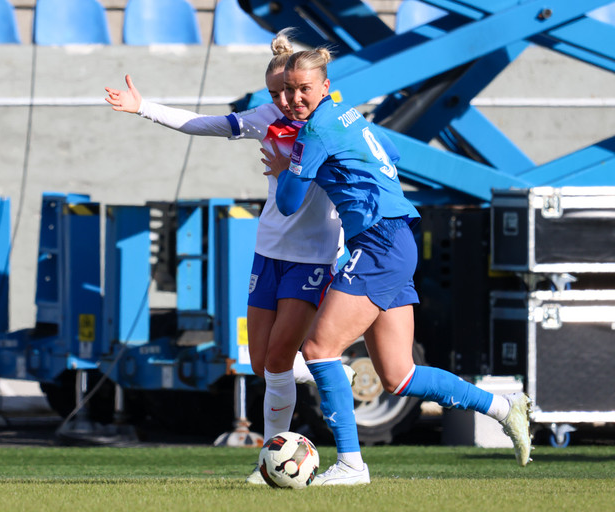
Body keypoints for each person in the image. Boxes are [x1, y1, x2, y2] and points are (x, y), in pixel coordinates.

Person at [261, 47, 533, 486]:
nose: (293, 99)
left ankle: (351, 465)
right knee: (399, 375)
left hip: (380, 242)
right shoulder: (347, 114)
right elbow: (391, 153)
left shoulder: (315, 131)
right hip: (395, 237)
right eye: (287, 90)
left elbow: (290, 202)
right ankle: (504, 407)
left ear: (324, 86)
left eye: (303, 89)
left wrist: (285, 168)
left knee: (319, 350)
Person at [104, 30, 353, 484]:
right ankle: (328, 374)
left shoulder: (333, 123)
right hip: (268, 251)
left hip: (314, 256)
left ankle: (269, 463)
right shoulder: (267, 117)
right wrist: (143, 107)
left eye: (293, 90)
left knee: (277, 358)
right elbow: (204, 124)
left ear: (316, 86)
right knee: (261, 364)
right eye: (277, 93)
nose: (285, 100)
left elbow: (367, 167)